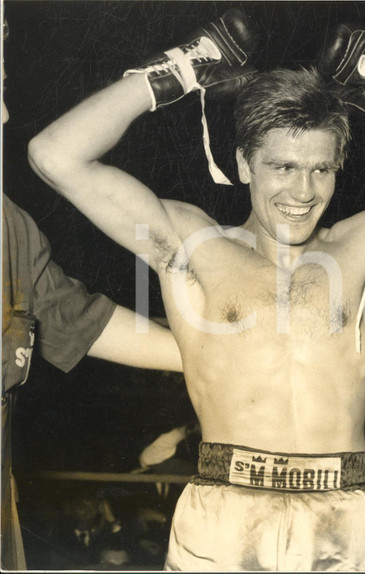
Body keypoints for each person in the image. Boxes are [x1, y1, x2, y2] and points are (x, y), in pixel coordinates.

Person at [27, 11, 365, 571]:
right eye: (283, 167)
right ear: (244, 164)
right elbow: (55, 154)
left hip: (347, 513)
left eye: (321, 169)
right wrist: (178, 73)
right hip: (225, 509)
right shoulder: (192, 243)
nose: (302, 191)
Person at [1, 17, 183, 570]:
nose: (4, 112)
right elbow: (55, 153)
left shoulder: (9, 226)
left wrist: (221, 357)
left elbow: (77, 319)